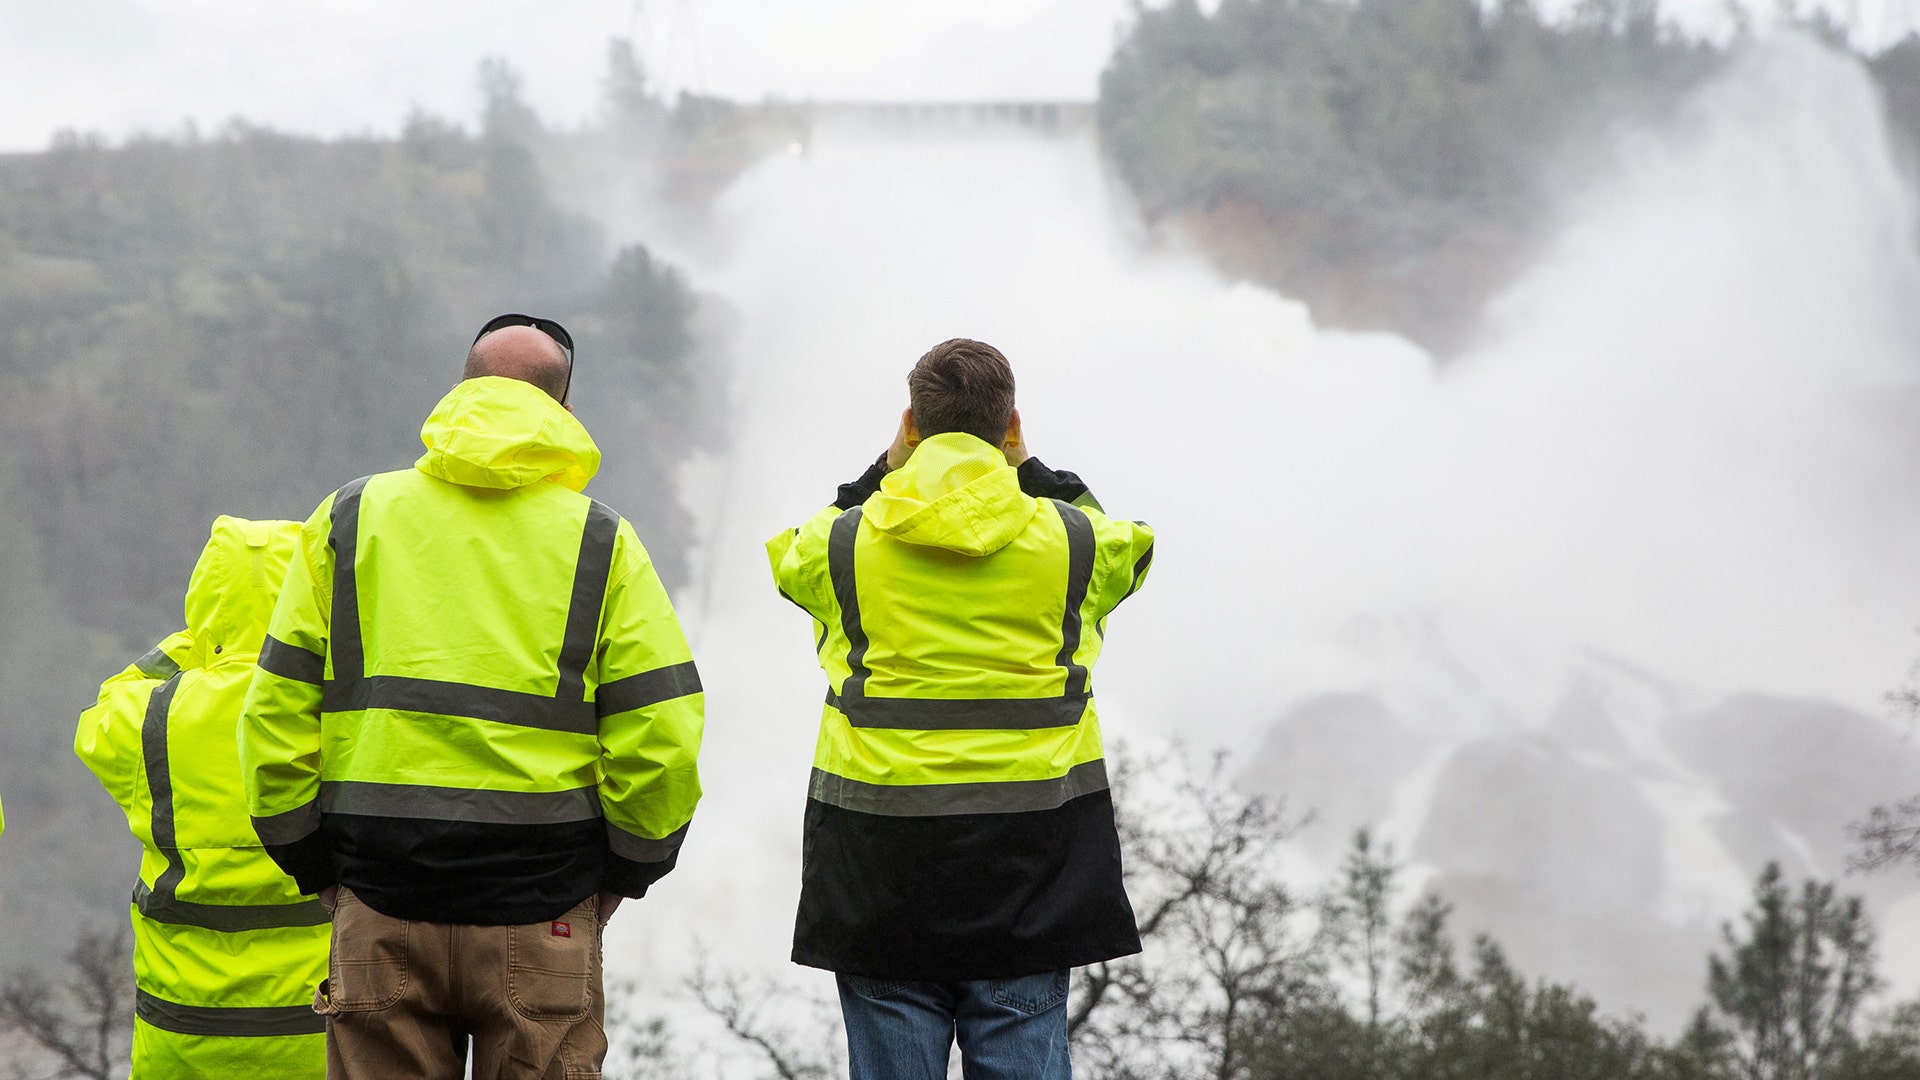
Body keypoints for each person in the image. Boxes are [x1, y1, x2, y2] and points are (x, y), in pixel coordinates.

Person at [239, 313, 705, 1079]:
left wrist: (313, 864)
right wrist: (624, 874)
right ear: (563, 412)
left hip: (379, 901)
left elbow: (277, 713)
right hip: (542, 909)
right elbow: (662, 734)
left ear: (462, 394)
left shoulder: (351, 519)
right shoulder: (602, 541)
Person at [767, 338, 1155, 1079]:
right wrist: (1031, 469)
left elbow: (792, 557)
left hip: (879, 869)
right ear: (1011, 426)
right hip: (1031, 870)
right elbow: (1129, 552)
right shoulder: (1074, 542)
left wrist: (884, 471)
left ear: (911, 425)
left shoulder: (843, 546)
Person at [76, 515, 329, 1079]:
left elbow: (104, 705)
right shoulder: (332, 711)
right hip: (317, 1033)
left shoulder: (150, 718)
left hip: (181, 1035)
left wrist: (193, 643)